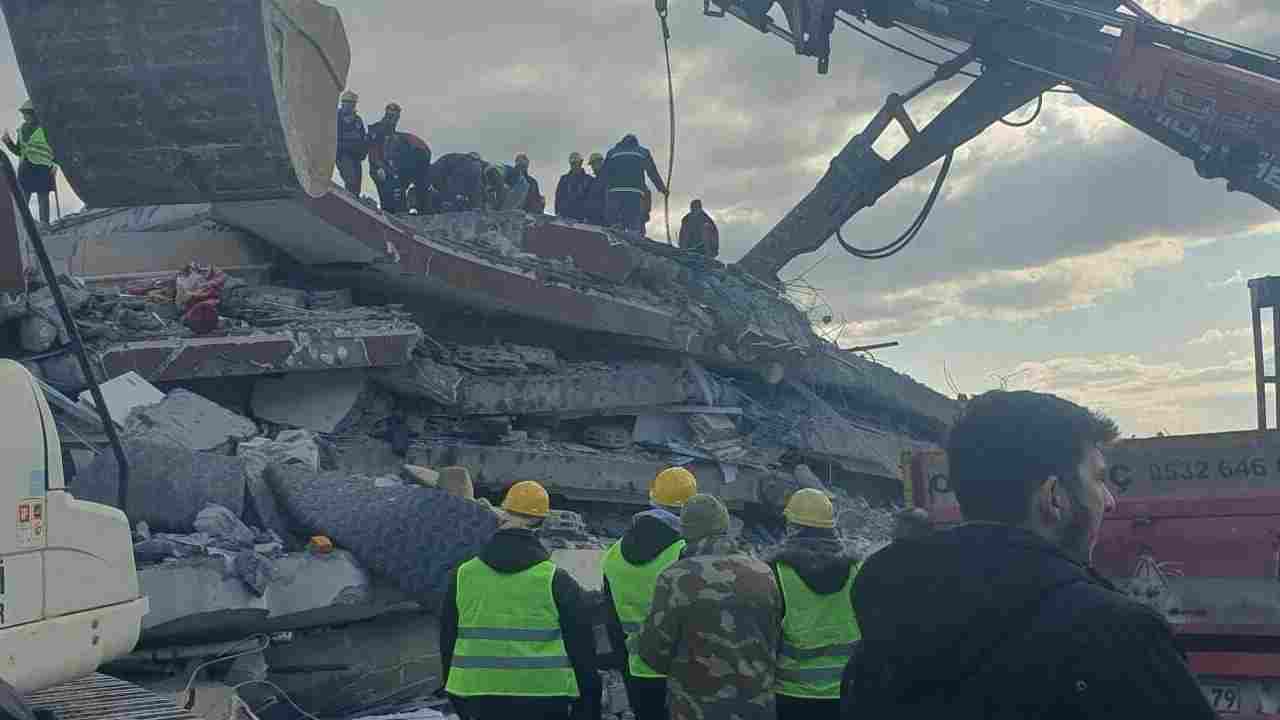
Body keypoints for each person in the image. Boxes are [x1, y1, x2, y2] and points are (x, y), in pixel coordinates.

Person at [843, 390, 1216, 719]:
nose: (1109, 500)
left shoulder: (887, 619)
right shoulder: (1118, 637)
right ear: (1054, 497)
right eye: (1099, 479)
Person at [441, 480, 601, 720]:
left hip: (477, 696)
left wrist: (455, 694)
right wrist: (588, 704)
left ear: (502, 516)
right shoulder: (555, 580)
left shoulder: (463, 575)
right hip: (545, 697)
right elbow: (581, 648)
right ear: (541, 523)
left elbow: (448, 640)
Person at [635, 493, 781, 720]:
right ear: (725, 526)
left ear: (686, 531)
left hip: (696, 708)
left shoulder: (675, 577)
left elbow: (653, 652)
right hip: (756, 706)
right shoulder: (764, 572)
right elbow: (774, 640)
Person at [601, 467, 698, 720]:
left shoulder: (613, 552)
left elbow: (611, 621)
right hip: (681, 672)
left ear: (652, 498)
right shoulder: (686, 552)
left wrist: (625, 669)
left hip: (637, 669)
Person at [767, 489, 859, 720]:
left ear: (793, 528)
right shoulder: (856, 570)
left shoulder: (777, 573)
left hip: (792, 695)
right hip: (846, 692)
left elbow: (767, 637)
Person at [3, 100, 55, 226]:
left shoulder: (45, 128)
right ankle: (22, 225)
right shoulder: (22, 129)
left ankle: (44, 224)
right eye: (24, 114)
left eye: (27, 114)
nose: (25, 117)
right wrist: (8, 142)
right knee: (23, 198)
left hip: (43, 167)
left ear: (34, 114)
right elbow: (19, 151)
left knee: (43, 197)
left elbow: (54, 149)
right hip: (26, 168)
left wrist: (55, 166)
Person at [602, 135, 668, 234]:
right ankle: (632, 238)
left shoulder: (612, 153)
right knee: (633, 227)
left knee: (615, 227)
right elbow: (652, 172)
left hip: (615, 194)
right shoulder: (643, 152)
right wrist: (662, 189)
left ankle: (615, 237)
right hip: (634, 194)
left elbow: (604, 175)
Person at [367, 103, 403, 213]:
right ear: (387, 115)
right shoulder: (378, 129)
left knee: (393, 198)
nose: (394, 120)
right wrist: (379, 168)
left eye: (396, 117)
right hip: (380, 168)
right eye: (391, 116)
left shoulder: (392, 132)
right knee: (386, 197)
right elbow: (373, 152)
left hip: (389, 170)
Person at [335, 90, 367, 196]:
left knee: (357, 184)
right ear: (343, 103)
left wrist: (363, 152)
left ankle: (354, 197)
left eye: (352, 103)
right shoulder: (336, 117)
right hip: (343, 154)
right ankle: (349, 196)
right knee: (351, 180)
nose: (349, 105)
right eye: (347, 102)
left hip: (356, 156)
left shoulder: (358, 120)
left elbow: (363, 138)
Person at [554, 152, 593, 222]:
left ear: (581, 163)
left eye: (577, 163)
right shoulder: (564, 179)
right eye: (573, 163)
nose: (575, 165)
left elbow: (592, 199)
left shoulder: (589, 180)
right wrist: (558, 212)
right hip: (565, 218)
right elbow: (558, 196)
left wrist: (589, 216)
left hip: (582, 219)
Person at [583, 153, 607, 225]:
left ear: (600, 162)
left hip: (603, 219)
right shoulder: (593, 181)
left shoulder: (607, 178)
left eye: (593, 164)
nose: (592, 167)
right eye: (592, 165)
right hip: (593, 219)